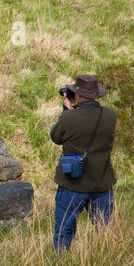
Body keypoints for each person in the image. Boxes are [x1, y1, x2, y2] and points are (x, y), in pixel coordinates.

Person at [50, 74, 116, 251]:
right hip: (102, 183)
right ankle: (111, 261)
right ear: (96, 95)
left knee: (64, 228)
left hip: (73, 184)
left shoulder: (70, 118)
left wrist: (67, 111)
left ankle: (60, 264)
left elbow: (56, 137)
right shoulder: (110, 116)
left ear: (78, 96)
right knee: (105, 229)